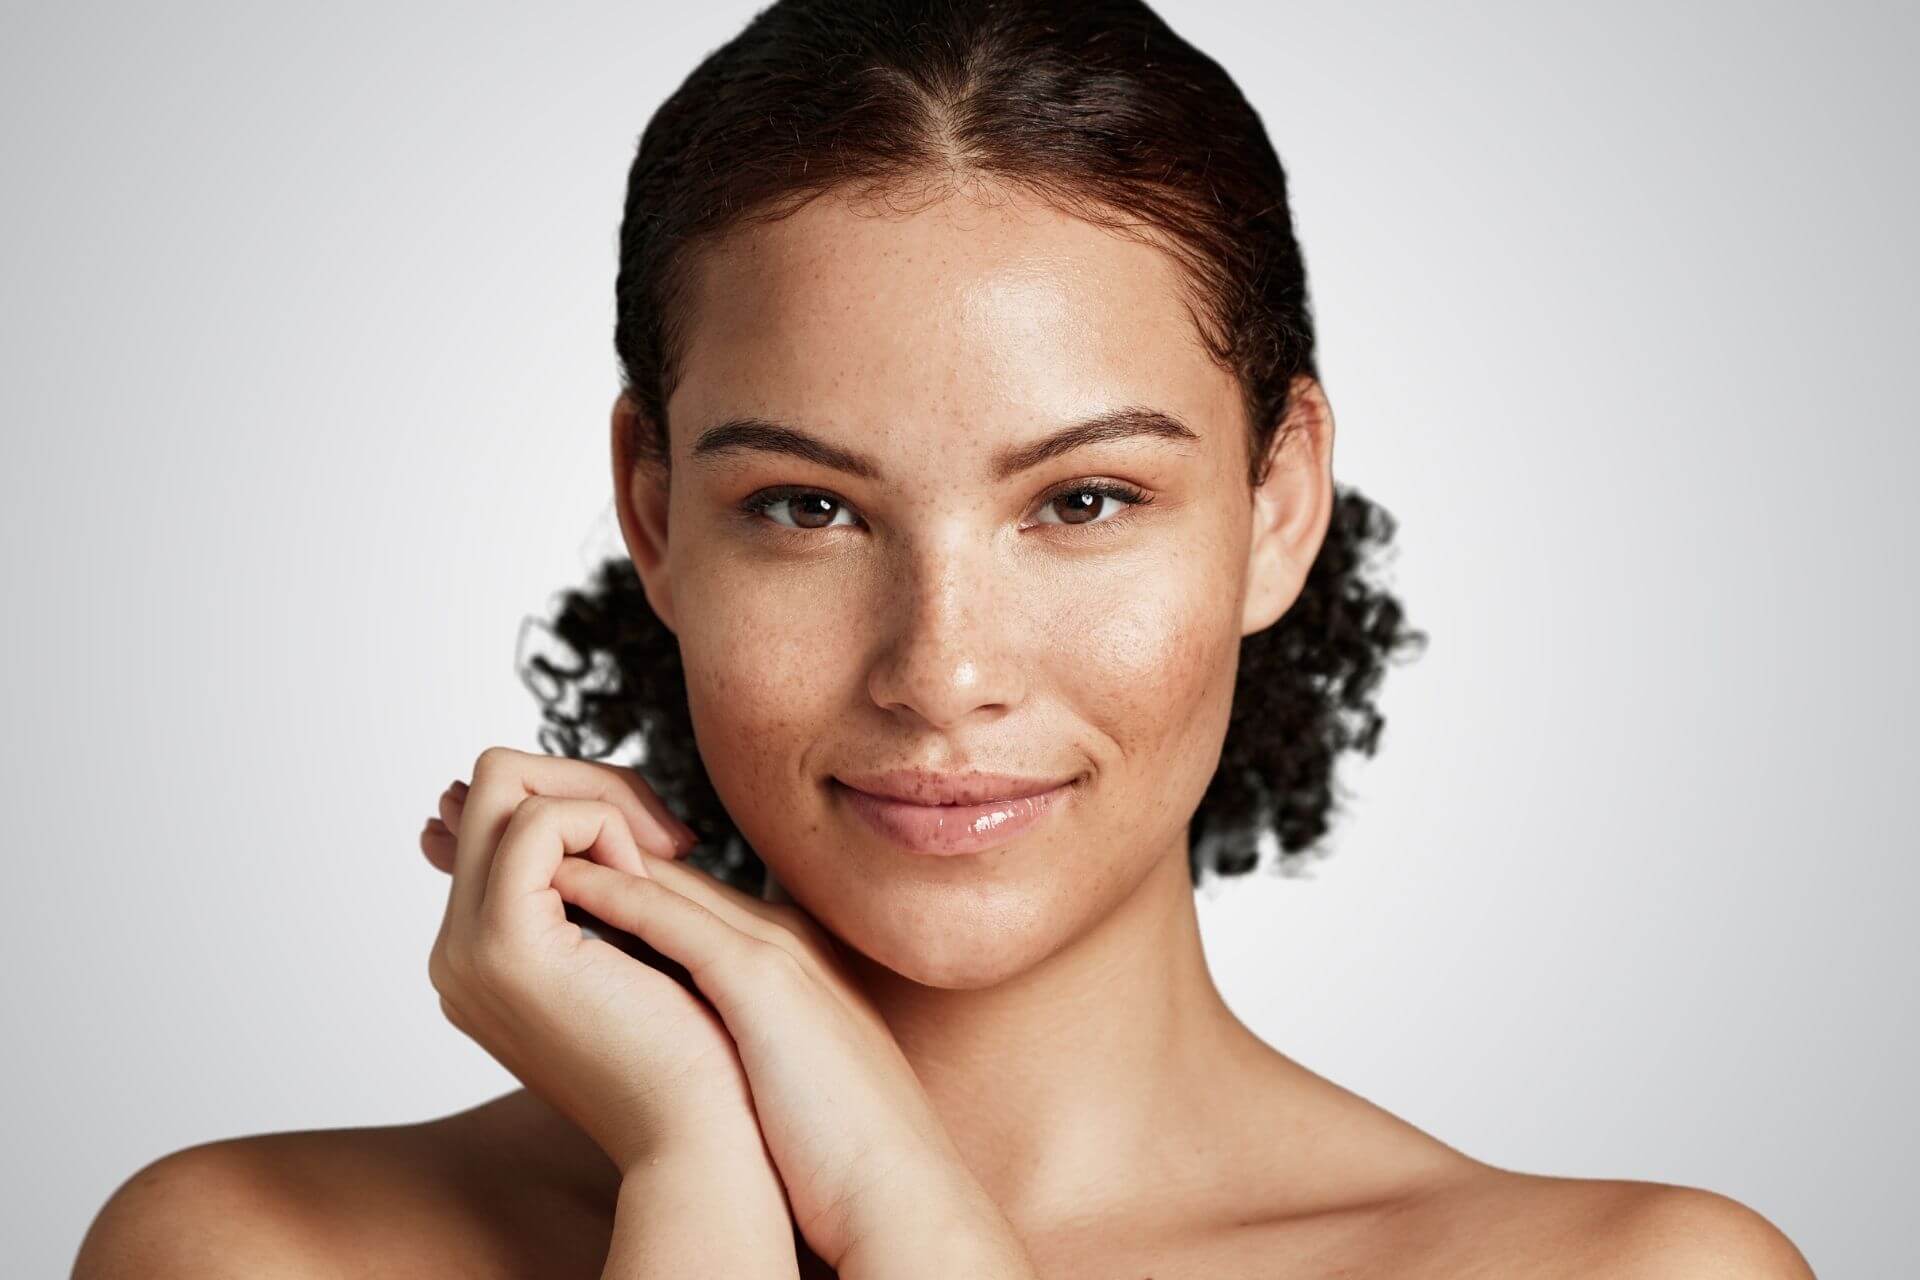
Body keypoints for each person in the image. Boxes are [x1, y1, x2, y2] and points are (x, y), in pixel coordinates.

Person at [74, 1, 1816, 1276]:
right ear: (656, 511)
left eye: (1083, 500)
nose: (942, 669)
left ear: (1280, 501)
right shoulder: (257, 1251)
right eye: (808, 507)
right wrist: (696, 1177)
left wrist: (907, 1213)